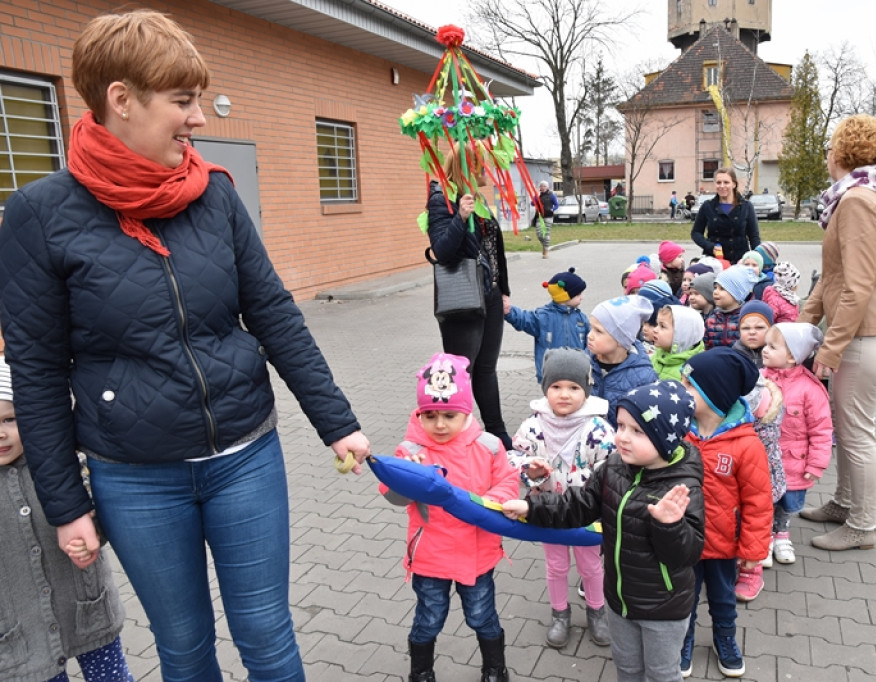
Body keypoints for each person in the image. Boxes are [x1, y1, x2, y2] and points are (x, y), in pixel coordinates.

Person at [0, 11, 372, 681]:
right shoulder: (40, 214)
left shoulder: (215, 195)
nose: (198, 118)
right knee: (184, 648)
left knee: (268, 636)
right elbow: (37, 370)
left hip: (245, 457)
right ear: (121, 99)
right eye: (182, 101)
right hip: (134, 476)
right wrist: (66, 505)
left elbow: (273, 313)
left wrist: (337, 421)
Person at [503, 380, 705, 682]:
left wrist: (670, 525)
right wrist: (532, 507)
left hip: (663, 609)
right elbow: (579, 504)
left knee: (661, 674)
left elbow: (686, 554)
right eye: (621, 425)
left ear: (665, 437)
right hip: (618, 600)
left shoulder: (682, 487)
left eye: (637, 431)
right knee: (627, 669)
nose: (622, 437)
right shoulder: (613, 467)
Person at [799, 114, 876, 552]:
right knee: (847, 427)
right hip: (871, 330)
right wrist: (802, 324)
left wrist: (830, 348)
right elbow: (834, 276)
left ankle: (862, 526)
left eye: (830, 148)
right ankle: (844, 503)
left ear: (844, 153)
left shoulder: (858, 201)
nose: (828, 156)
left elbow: (857, 286)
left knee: (857, 432)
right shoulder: (875, 193)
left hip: (869, 334)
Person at [383, 353, 519, 682]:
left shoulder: (489, 446)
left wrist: (490, 503)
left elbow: (508, 480)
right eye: (429, 415)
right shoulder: (410, 451)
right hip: (432, 555)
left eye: (449, 415)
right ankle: (420, 671)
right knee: (429, 617)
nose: (440, 424)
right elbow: (393, 496)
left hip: (478, 552)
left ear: (467, 411)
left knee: (481, 614)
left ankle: (495, 668)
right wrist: (407, 478)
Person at [0, 357, 134, 682]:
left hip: (87, 609)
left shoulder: (63, 466)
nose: (1, 434)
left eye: (10, 419)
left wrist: (94, 534)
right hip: (19, 630)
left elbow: (102, 515)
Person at [507, 348, 615, 648]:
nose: (564, 394)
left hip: (585, 513)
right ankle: (559, 613)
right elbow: (513, 457)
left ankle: (596, 611)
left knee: (591, 566)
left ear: (586, 390)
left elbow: (612, 466)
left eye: (573, 387)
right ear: (545, 387)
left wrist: (587, 479)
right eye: (556, 386)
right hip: (546, 510)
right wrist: (530, 470)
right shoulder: (532, 426)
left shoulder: (597, 428)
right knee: (555, 565)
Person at [678, 348, 772, 678]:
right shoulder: (678, 432)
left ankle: (725, 638)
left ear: (713, 393)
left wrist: (753, 550)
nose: (681, 391)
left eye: (689, 386)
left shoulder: (746, 444)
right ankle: (683, 640)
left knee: (723, 599)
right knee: (683, 598)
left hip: (723, 545)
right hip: (683, 539)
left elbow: (758, 502)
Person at [428, 143, 514, 450]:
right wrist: (460, 217)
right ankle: (454, 436)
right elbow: (441, 252)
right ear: (468, 167)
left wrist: (503, 290)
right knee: (462, 371)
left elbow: (494, 250)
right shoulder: (442, 199)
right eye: (482, 164)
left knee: (486, 368)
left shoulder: (478, 199)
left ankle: (498, 435)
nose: (487, 170)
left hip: (489, 294)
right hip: (463, 300)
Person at [761, 324, 833, 565]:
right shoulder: (758, 379)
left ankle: (781, 534)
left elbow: (821, 430)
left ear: (792, 356)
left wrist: (816, 464)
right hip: (762, 458)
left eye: (772, 347)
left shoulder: (810, 389)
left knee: (787, 502)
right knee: (762, 500)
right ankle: (764, 537)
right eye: (766, 345)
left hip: (793, 461)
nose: (765, 350)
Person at [504, 268, 589, 383]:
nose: (581, 297)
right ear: (565, 296)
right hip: (551, 376)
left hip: (578, 374)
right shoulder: (543, 316)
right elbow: (524, 319)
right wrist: (509, 311)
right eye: (578, 294)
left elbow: (590, 343)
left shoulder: (581, 318)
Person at [587, 296, 658, 428]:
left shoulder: (644, 378)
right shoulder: (583, 363)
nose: (589, 335)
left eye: (598, 331)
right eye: (591, 328)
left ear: (621, 339)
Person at [691, 167, 761, 265]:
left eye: (726, 182)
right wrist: (710, 246)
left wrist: (757, 259)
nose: (722, 186)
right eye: (718, 182)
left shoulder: (746, 206)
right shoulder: (707, 206)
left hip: (740, 261)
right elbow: (696, 233)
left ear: (734, 184)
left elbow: (754, 237)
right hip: (714, 260)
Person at [704, 265, 759, 349]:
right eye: (715, 288)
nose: (715, 292)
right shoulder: (711, 319)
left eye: (722, 289)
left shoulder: (745, 319)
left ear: (737, 294)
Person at [651, 305, 706, 380]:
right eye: (657, 324)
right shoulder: (656, 356)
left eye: (662, 326)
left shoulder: (690, 370)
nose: (655, 330)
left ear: (682, 335)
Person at [732, 300, 774, 368]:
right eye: (746, 328)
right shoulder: (734, 356)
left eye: (759, 327)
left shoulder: (778, 356)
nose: (752, 332)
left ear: (771, 330)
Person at [532, 181, 559, 258]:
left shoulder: (551, 195)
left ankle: (546, 252)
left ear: (547, 187)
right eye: (541, 186)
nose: (542, 187)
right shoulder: (538, 195)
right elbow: (532, 203)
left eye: (544, 186)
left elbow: (556, 204)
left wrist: (552, 209)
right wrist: (535, 196)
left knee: (546, 234)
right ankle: (545, 246)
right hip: (539, 216)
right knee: (539, 234)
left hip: (548, 216)